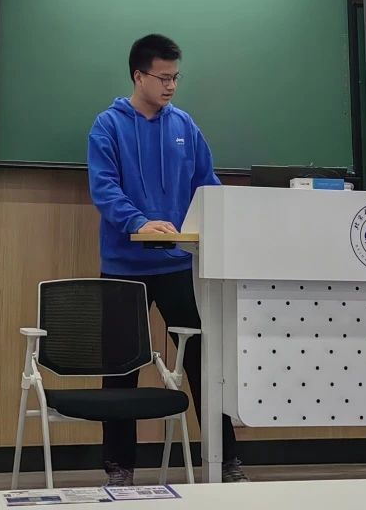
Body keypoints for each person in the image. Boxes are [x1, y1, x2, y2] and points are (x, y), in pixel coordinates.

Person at [87, 33, 245, 485]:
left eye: (176, 77)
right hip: (124, 269)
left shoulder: (185, 126)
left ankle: (226, 460)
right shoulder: (107, 126)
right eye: (163, 77)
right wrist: (140, 221)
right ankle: (119, 468)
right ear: (139, 76)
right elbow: (104, 189)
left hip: (179, 266)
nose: (171, 85)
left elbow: (207, 184)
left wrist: (226, 218)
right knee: (121, 370)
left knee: (203, 364)